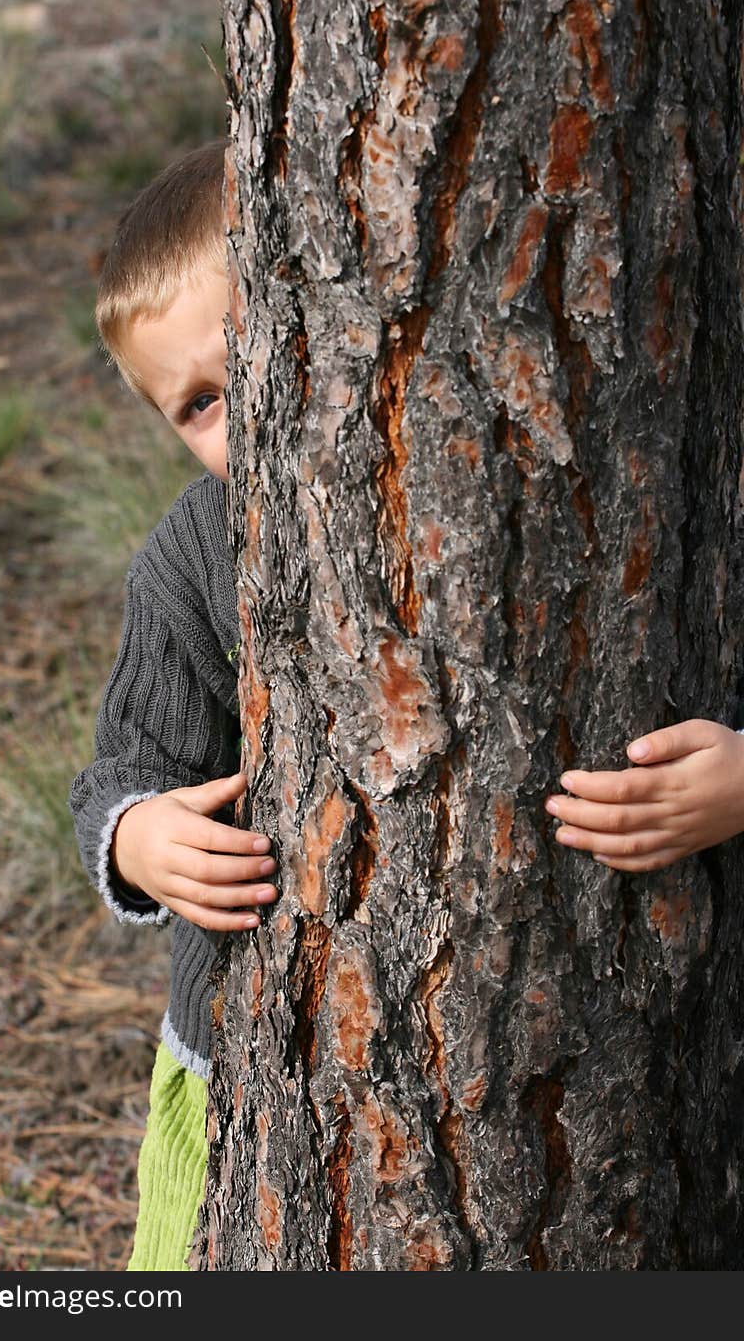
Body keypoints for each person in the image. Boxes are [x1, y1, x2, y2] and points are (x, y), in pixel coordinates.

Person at [69, 136, 744, 1272]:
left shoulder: (658, 475)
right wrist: (139, 834)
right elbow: (124, 763)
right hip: (254, 1051)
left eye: (255, 362)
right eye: (197, 404)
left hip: (636, 1034)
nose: (243, 421)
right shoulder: (193, 555)